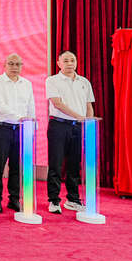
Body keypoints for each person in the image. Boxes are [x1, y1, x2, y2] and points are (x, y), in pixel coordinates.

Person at [45, 50, 95, 214]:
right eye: (65, 60)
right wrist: (78, 116)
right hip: (58, 126)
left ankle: (73, 199)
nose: (69, 63)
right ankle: (54, 200)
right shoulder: (52, 81)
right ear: (58, 63)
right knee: (56, 164)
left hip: (78, 127)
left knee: (74, 165)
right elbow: (57, 103)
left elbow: (88, 105)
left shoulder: (84, 82)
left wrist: (88, 122)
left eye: (72, 60)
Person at [0, 53, 35, 213]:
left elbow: (31, 106)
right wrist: (19, 117)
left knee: (17, 166)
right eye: (11, 64)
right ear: (4, 65)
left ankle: (14, 199)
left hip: (21, 130)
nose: (15, 67)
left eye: (18, 64)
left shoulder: (27, 84)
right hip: (2, 128)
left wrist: (31, 127)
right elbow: (0, 106)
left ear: (21, 66)